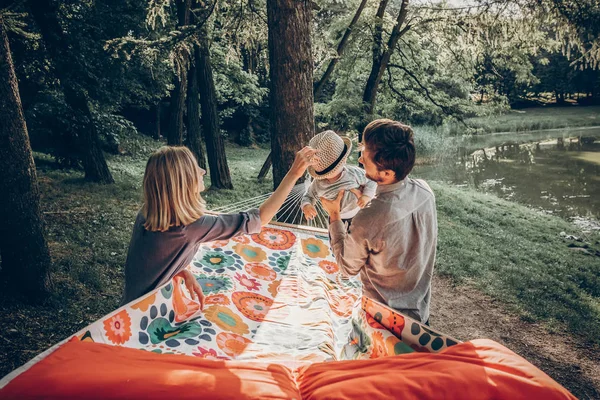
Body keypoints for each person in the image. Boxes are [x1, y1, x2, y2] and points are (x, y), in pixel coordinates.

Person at [121, 145, 318, 308]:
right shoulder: (188, 228)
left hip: (129, 306)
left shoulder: (149, 212)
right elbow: (260, 218)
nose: (203, 171)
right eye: (196, 168)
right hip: (144, 315)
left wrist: (179, 270)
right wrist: (294, 174)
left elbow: (150, 265)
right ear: (183, 182)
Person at [320, 119, 437, 324]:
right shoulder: (425, 191)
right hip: (421, 315)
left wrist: (335, 215)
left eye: (365, 152)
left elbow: (347, 268)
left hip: (382, 320)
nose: (361, 158)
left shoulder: (369, 218)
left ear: (386, 173)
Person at [301, 130, 377, 226]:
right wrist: (306, 206)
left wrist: (367, 196)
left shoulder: (353, 173)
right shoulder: (317, 183)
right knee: (335, 238)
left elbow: (371, 180)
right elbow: (308, 196)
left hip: (358, 215)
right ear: (344, 159)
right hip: (334, 219)